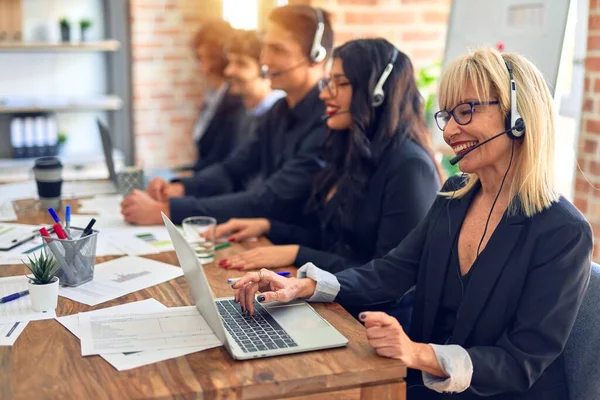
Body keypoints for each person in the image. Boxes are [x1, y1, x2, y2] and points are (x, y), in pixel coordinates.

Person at [231, 48, 594, 399]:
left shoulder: (562, 232)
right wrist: (302, 286)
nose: (450, 130)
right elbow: (391, 271)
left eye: (465, 111)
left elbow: (520, 363)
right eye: (447, 115)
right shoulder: (455, 196)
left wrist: (417, 353)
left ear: (519, 115)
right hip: (425, 384)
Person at [214, 39, 442, 278]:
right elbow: (333, 241)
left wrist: (298, 254)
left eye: (340, 83)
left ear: (377, 94)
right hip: (334, 296)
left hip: (366, 313)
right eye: (328, 81)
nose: (324, 94)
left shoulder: (410, 167)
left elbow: (389, 276)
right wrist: (270, 227)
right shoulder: (353, 149)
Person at [121, 5, 334, 226]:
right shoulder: (280, 111)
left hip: (299, 250)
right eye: (265, 48)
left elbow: (269, 200)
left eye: (278, 50)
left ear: (315, 56)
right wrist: (180, 188)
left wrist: (167, 211)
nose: (264, 60)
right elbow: (232, 169)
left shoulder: (328, 120)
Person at [187, 19, 248, 172]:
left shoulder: (236, 101)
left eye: (204, 57)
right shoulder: (212, 96)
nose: (201, 66)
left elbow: (224, 160)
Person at [224, 29, 285, 134]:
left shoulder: (282, 117)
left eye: (241, 64)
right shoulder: (242, 114)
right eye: (230, 62)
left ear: (265, 69)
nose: (228, 71)